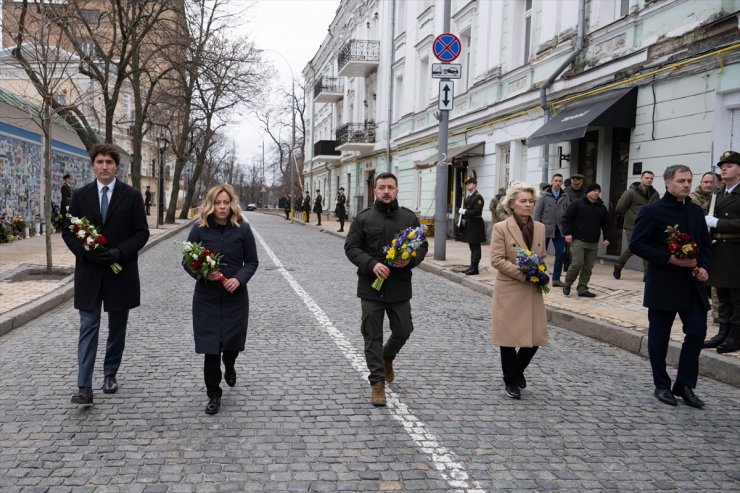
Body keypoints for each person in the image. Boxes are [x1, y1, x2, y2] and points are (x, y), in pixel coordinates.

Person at [62, 143, 150, 406]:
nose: (104, 167)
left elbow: (141, 232)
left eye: (109, 162)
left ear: (116, 167)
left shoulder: (131, 196)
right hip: (89, 272)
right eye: (99, 162)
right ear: (93, 166)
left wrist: (119, 253)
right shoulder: (80, 195)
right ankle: (84, 387)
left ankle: (110, 372)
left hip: (119, 272)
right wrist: (86, 254)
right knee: (88, 326)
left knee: (117, 327)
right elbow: (68, 230)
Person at [630, 165, 711, 408]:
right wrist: (669, 258)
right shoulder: (652, 211)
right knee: (659, 338)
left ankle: (685, 384)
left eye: (689, 180)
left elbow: (706, 246)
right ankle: (662, 385)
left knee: (697, 332)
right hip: (664, 284)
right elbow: (637, 244)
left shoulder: (697, 212)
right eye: (681, 181)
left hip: (693, 285)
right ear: (667, 183)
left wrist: (705, 267)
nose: (686, 185)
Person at [344, 172, 428, 406]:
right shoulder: (363, 218)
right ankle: (377, 383)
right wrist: (372, 264)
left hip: (399, 287)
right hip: (371, 287)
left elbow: (422, 245)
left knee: (403, 330)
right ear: (375, 191)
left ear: (397, 190)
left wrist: (409, 260)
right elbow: (351, 247)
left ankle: (388, 356)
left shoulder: (409, 219)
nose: (386, 191)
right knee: (372, 336)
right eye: (381, 187)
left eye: (390, 187)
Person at [183, 184, 259, 415]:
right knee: (211, 348)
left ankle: (231, 363)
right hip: (206, 297)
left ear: (232, 204)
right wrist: (203, 272)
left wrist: (239, 280)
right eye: (217, 203)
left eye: (226, 202)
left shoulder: (243, 230)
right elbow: (187, 261)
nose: (222, 207)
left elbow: (252, 262)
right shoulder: (199, 229)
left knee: (231, 344)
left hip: (235, 297)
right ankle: (213, 394)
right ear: (210, 204)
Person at [490, 181, 549, 399]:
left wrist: (543, 272)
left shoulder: (540, 227)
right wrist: (525, 274)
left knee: (534, 338)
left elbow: (542, 257)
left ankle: (518, 370)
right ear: (512, 204)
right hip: (510, 289)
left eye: (531, 201)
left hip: (533, 291)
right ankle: (510, 379)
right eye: (523, 201)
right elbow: (496, 260)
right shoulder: (501, 228)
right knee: (508, 338)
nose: (528, 205)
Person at [704, 150, 740, 354]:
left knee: (737, 297)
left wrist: (719, 223)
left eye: (730, 165)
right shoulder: (718, 195)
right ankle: (723, 332)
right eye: (722, 166)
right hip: (720, 249)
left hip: (736, 251)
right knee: (723, 295)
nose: (724, 168)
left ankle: (735, 335)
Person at [561, 183, 610, 298]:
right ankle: (567, 283)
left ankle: (582, 288)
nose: (597, 193)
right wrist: (567, 233)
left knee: (588, 267)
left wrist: (607, 237)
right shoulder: (577, 203)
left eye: (599, 191)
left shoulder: (601, 207)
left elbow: (606, 224)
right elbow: (566, 218)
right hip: (578, 240)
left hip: (593, 242)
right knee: (577, 263)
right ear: (588, 192)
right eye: (594, 190)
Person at [613, 171, 660, 280]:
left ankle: (647, 274)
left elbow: (658, 209)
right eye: (647, 178)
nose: (649, 180)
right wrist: (631, 216)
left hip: (649, 226)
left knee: (648, 248)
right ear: (641, 178)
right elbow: (619, 208)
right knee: (633, 247)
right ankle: (618, 265)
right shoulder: (630, 192)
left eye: (651, 178)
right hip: (632, 226)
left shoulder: (655, 194)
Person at [533, 173, 569, 287]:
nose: (558, 183)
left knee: (560, 253)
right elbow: (537, 212)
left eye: (560, 181)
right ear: (552, 181)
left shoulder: (565, 196)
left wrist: (568, 229)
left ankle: (556, 279)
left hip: (560, 229)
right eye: (556, 180)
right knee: (540, 253)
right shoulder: (544, 195)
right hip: (545, 228)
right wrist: (537, 227)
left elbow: (568, 213)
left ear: (562, 183)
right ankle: (537, 275)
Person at [458, 177, 486, 275]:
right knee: (472, 246)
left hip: (476, 224)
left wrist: (465, 211)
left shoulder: (478, 197)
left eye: (470, 183)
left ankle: (475, 268)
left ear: (475, 184)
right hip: (470, 224)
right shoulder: (468, 197)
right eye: (467, 184)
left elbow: (477, 211)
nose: (468, 185)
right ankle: (472, 266)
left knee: (476, 247)